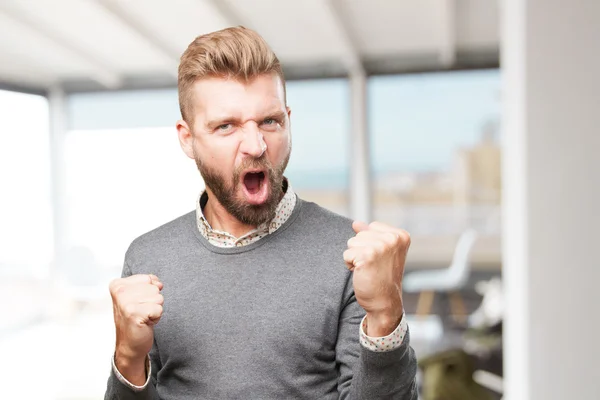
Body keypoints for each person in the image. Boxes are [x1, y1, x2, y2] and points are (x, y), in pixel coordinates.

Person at [105, 26, 417, 400]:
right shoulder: (148, 258)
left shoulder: (349, 254)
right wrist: (127, 358)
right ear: (187, 139)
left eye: (270, 121)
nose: (255, 145)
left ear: (288, 120)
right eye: (226, 126)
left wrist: (386, 319)